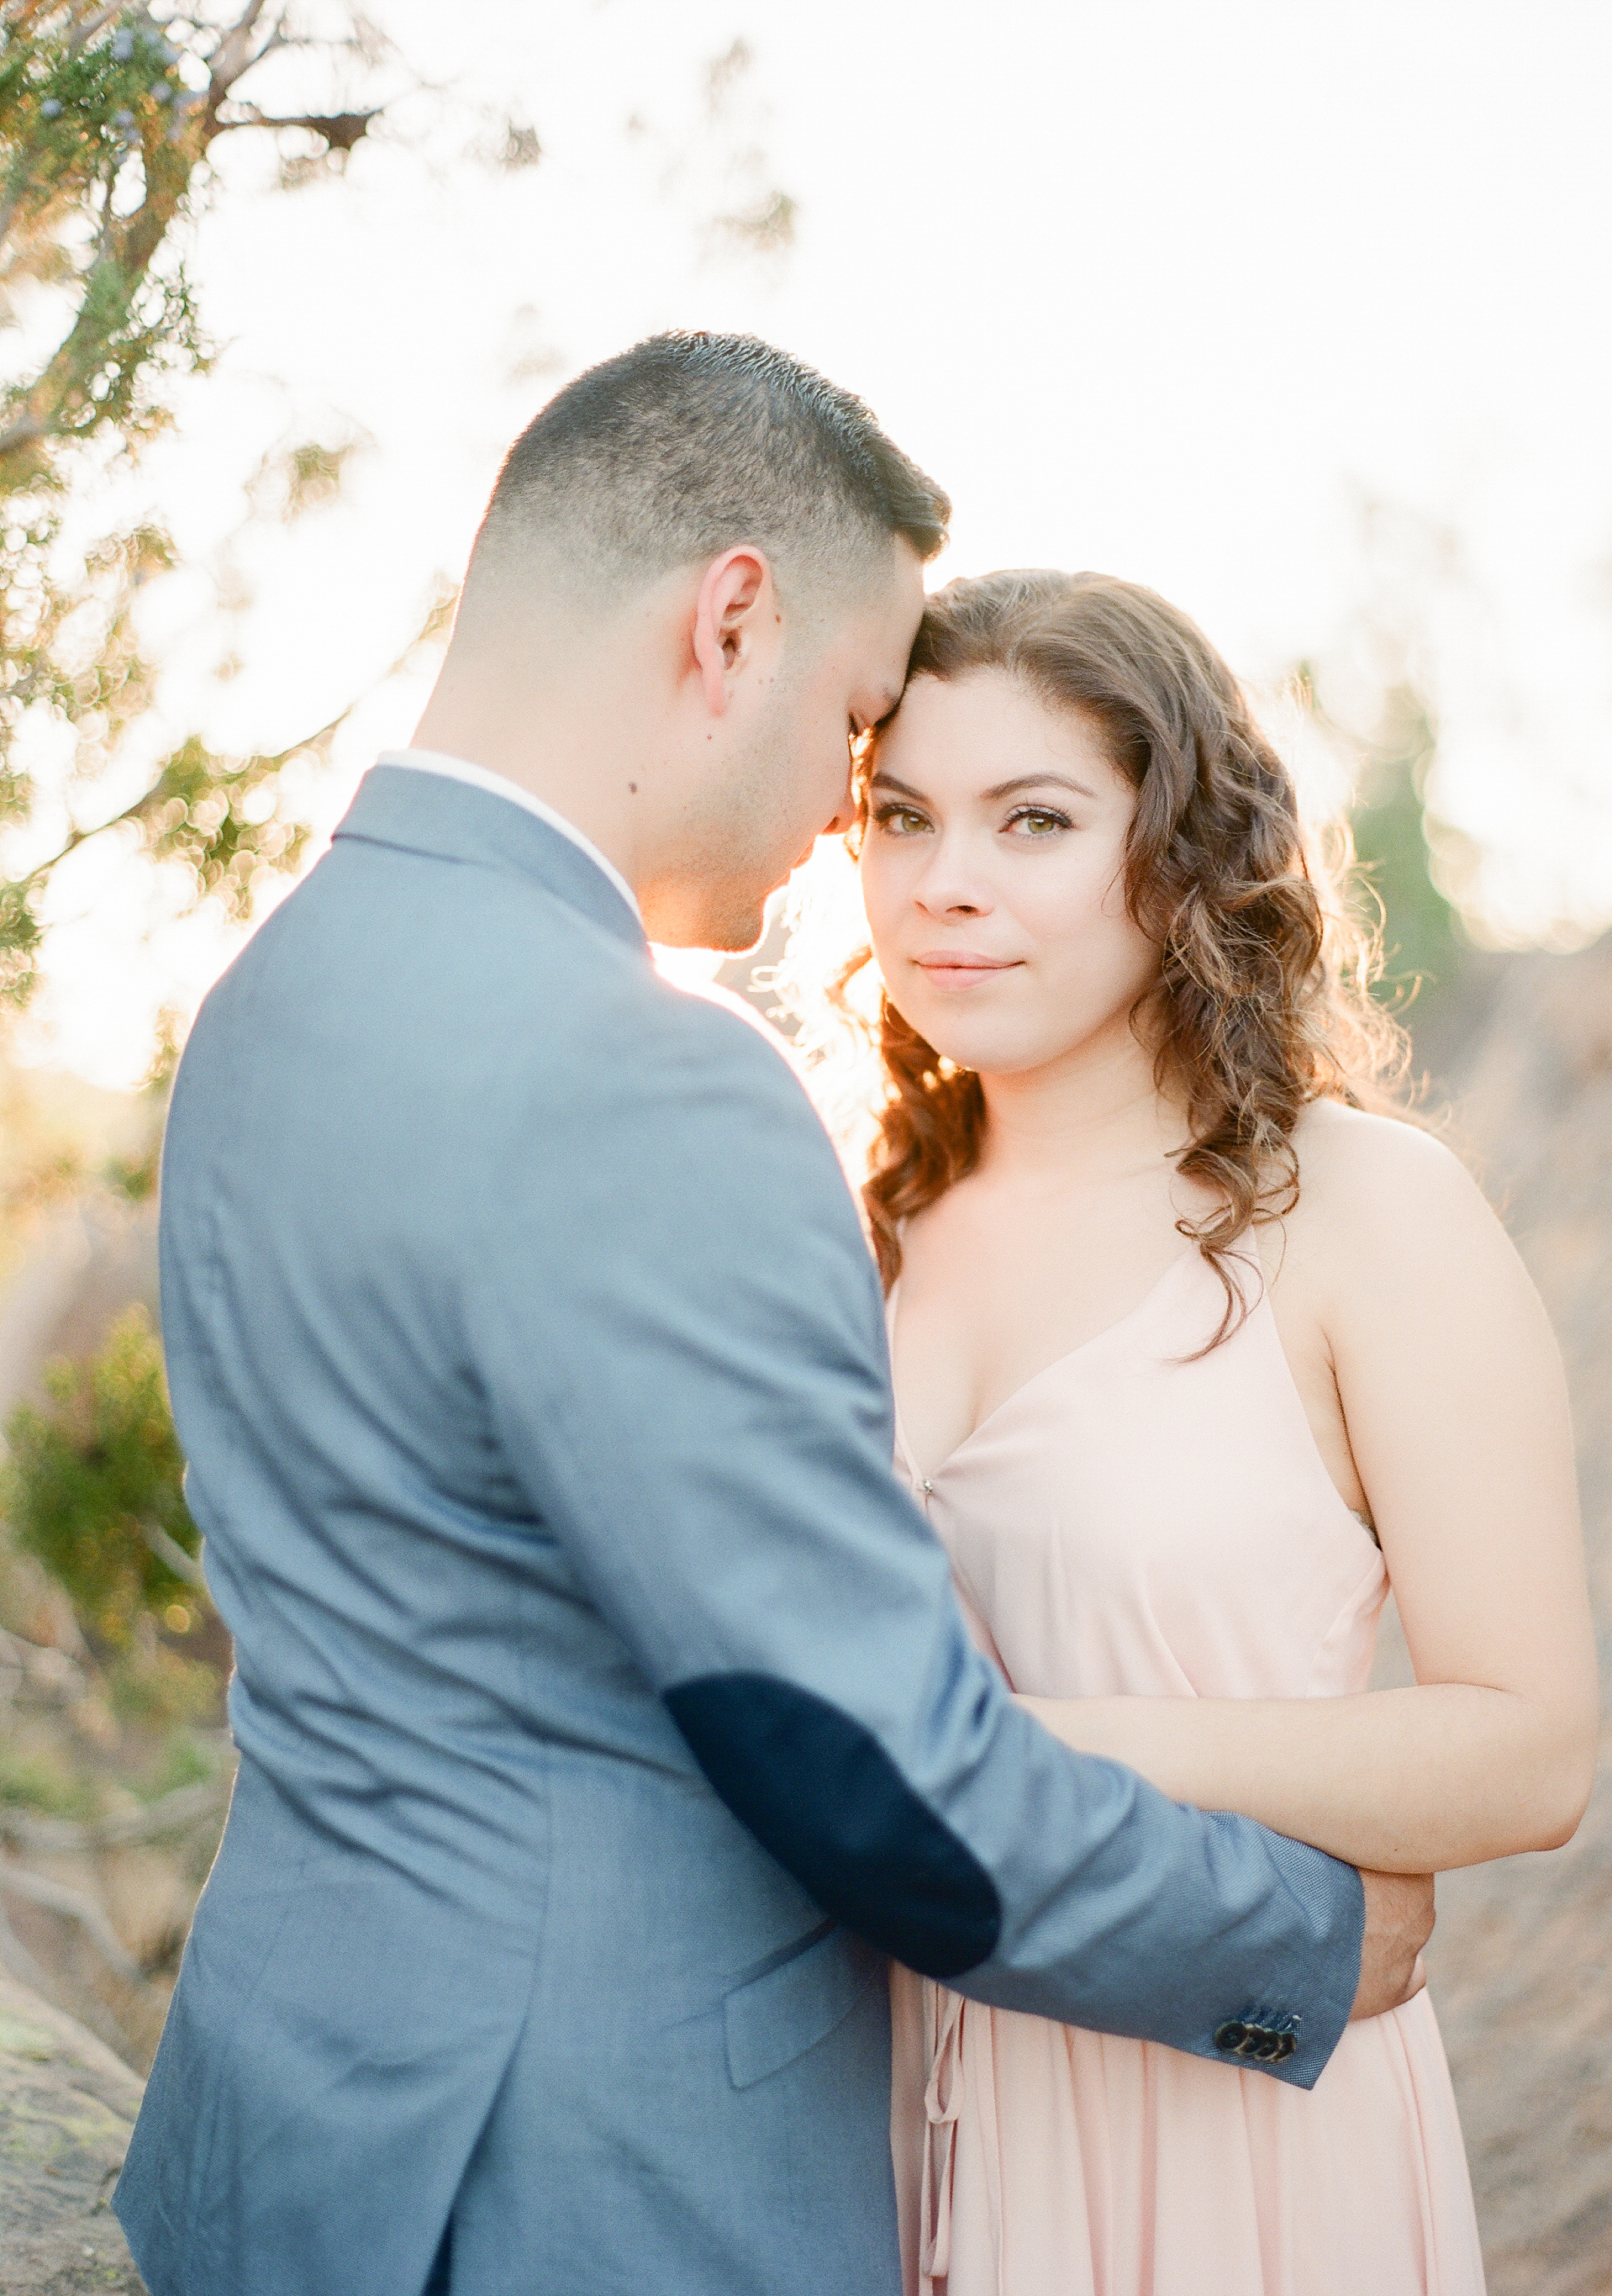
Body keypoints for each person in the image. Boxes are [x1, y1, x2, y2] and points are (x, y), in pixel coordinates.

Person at [113, 339, 1430, 2296]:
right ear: (730, 620)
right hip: (590, 2189)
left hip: (286, 2137)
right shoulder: (650, 1075)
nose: (847, 812)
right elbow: (871, 1775)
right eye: (857, 721)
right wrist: (1299, 1951)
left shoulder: (269, 1002)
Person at [839, 569, 1599, 2296]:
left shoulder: (1356, 1208)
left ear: (1172, 848)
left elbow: (1527, 1746)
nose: (945, 880)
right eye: (900, 816)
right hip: (907, 2132)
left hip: (1240, 2124)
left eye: (1032, 819)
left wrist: (1022, 1744)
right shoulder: (860, 1240)